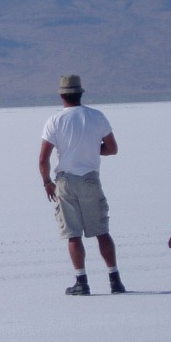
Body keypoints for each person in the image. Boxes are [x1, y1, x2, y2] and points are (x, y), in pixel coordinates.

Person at [38, 75, 125, 295]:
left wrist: (47, 182)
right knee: (101, 232)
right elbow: (112, 148)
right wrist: (91, 149)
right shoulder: (96, 117)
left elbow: (43, 159)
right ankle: (115, 280)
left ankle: (81, 281)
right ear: (80, 93)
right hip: (90, 179)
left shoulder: (55, 120)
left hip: (65, 181)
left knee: (73, 234)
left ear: (61, 95)